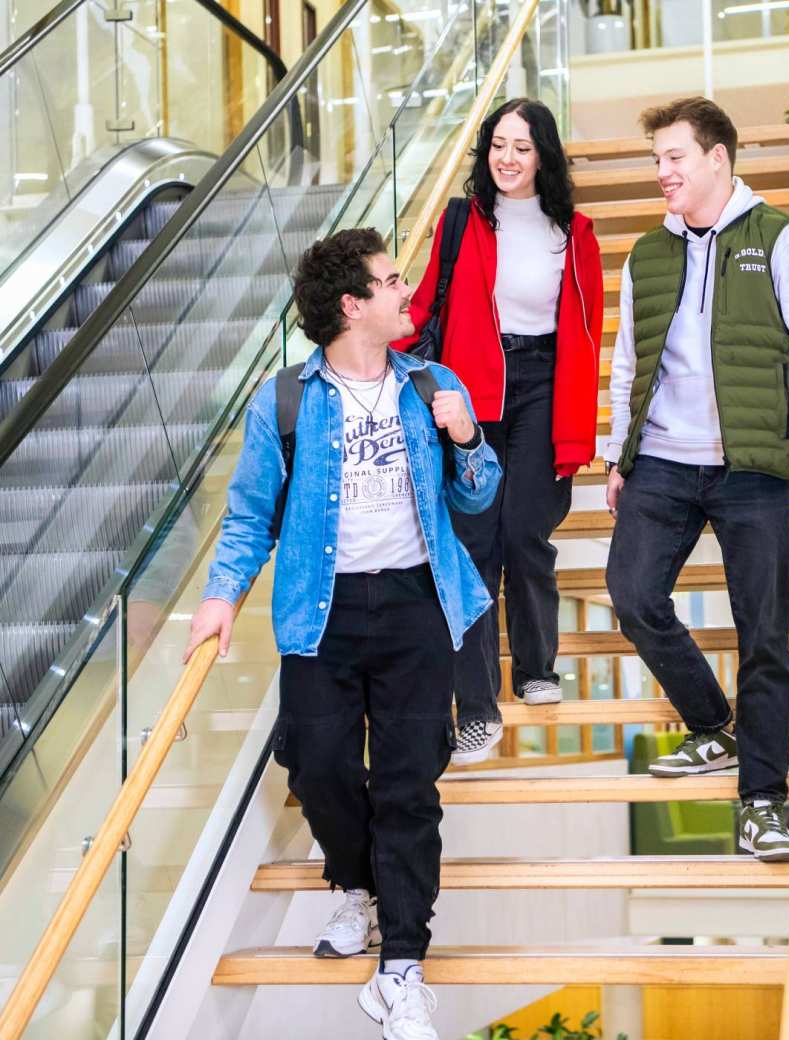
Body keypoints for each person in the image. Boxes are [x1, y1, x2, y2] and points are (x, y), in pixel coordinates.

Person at [183, 228, 501, 1040]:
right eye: (392, 282)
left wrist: (465, 437)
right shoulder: (284, 400)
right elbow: (253, 513)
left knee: (406, 785)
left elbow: (478, 498)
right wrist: (222, 596)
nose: (407, 294)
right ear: (352, 305)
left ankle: (402, 967)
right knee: (319, 766)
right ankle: (354, 888)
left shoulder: (431, 384)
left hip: (416, 605)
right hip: (319, 611)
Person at [604, 97, 789, 863]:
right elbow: (625, 364)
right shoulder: (646, 255)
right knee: (634, 596)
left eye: (674, 157)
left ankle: (763, 802)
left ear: (718, 157)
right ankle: (715, 727)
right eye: (656, 160)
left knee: (766, 637)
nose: (662, 173)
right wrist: (619, 454)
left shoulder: (778, 240)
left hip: (752, 465)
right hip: (663, 461)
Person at [397, 98, 604, 766]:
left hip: (545, 384)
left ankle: (538, 664)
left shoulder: (576, 232)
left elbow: (588, 330)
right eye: (498, 146)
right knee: (473, 546)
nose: (508, 159)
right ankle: (478, 712)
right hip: (472, 392)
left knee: (524, 531)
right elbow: (425, 303)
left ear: (544, 154)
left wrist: (579, 426)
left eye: (522, 146)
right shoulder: (461, 221)